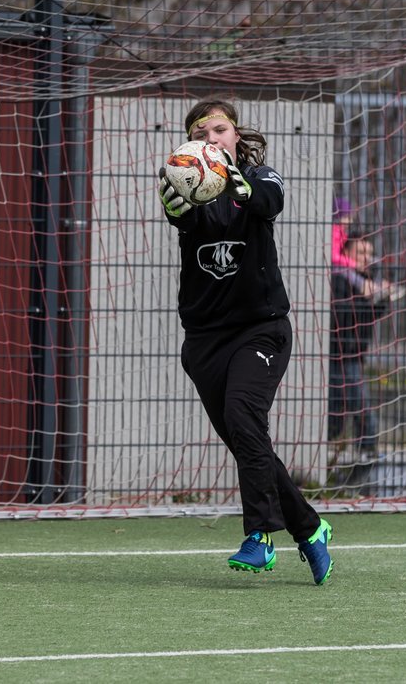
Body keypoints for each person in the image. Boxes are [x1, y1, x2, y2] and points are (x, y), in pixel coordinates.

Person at [157, 98, 334, 586]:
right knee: (246, 439)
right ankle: (310, 528)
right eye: (201, 131)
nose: (210, 137)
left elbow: (268, 203)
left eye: (219, 129)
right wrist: (177, 203)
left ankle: (259, 536)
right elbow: (186, 220)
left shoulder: (263, 178)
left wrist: (237, 180)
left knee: (243, 416)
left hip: (261, 329)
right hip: (205, 340)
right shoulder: (188, 190)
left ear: (235, 136)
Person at [329, 231, 389, 471]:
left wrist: (381, 297)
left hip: (353, 355)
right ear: (346, 253)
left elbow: (371, 315)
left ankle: (362, 450)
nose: (366, 257)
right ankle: (366, 449)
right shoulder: (340, 279)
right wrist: (366, 296)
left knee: (342, 410)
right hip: (339, 355)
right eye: (361, 252)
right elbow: (341, 316)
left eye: (369, 253)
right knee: (354, 409)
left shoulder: (364, 279)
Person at [331, 196, 355, 268]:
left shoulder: (340, 232)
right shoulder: (335, 232)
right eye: (347, 218)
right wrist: (354, 264)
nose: (351, 221)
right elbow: (333, 256)